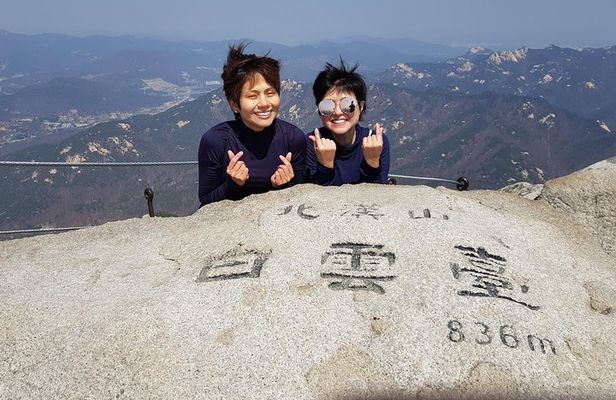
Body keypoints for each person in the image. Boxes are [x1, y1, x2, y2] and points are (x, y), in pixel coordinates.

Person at [198, 43, 306, 206]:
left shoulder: (293, 138)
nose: (264, 103)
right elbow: (206, 200)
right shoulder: (216, 141)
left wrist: (284, 186)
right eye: (252, 96)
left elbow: (302, 195)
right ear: (234, 104)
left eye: (270, 93)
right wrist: (234, 184)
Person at [305, 60, 390, 186]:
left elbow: (377, 194)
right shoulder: (312, 144)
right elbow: (314, 198)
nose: (338, 112)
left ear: (360, 107)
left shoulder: (375, 142)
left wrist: (372, 162)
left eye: (347, 104)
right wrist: (326, 165)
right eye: (327, 106)